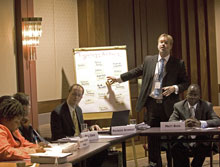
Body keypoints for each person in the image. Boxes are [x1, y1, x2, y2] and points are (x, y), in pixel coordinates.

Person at [107, 33, 189, 167]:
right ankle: (155, 165)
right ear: (157, 45)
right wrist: (118, 79)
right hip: (152, 107)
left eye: (166, 42)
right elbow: (135, 72)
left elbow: (185, 82)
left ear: (171, 46)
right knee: (153, 140)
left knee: (171, 139)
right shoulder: (149, 61)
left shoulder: (178, 63)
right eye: (161, 42)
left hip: (169, 107)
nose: (163, 44)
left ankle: (172, 163)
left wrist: (174, 88)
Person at [51, 84, 105, 167]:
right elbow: (57, 136)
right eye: (74, 94)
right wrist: (75, 140)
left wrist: (90, 128)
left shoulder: (78, 110)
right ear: (68, 94)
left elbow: (81, 130)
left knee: (102, 151)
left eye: (79, 95)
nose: (76, 97)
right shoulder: (57, 112)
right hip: (67, 146)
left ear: (81, 97)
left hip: (80, 144)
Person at [169, 84, 220, 167]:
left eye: (195, 95)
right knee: (176, 147)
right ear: (186, 95)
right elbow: (170, 122)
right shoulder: (178, 106)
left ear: (199, 96)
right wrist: (183, 124)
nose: (192, 97)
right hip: (184, 140)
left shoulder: (206, 105)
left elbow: (217, 120)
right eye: (190, 94)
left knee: (204, 144)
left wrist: (201, 123)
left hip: (200, 141)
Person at [0, 97, 44, 161]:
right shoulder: (1, 131)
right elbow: (6, 152)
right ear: (6, 119)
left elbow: (24, 143)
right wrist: (31, 151)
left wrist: (37, 147)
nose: (19, 125)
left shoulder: (14, 130)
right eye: (16, 122)